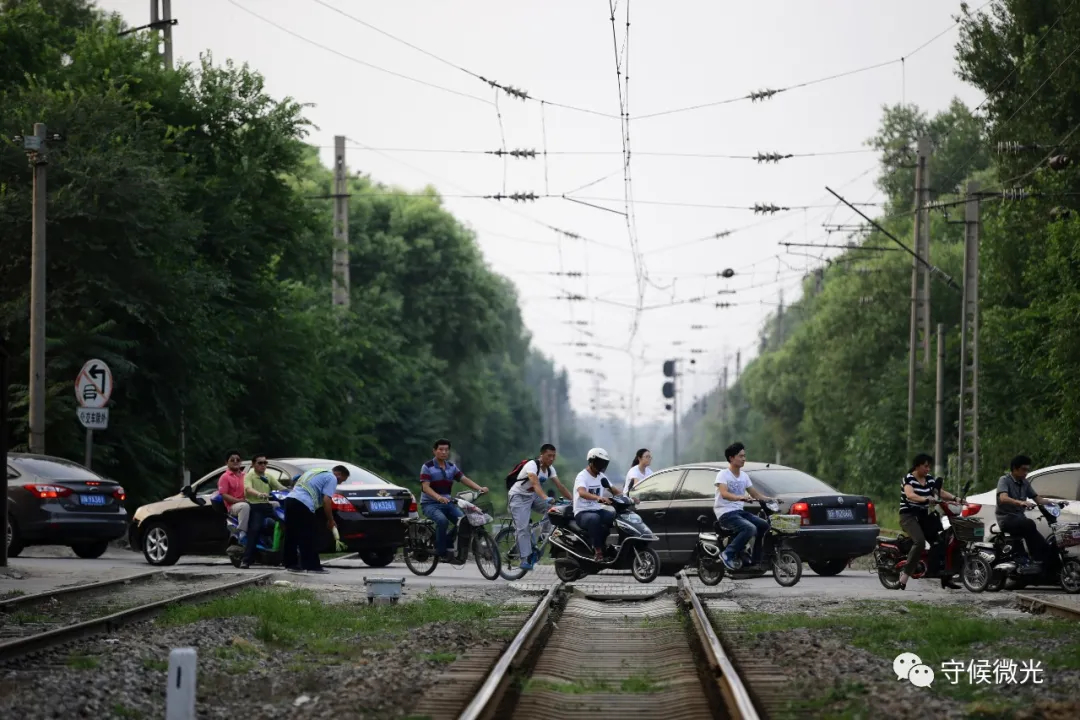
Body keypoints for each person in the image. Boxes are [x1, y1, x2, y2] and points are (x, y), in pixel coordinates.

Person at [897, 453, 963, 590]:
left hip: (923, 516)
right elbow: (910, 495)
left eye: (929, 467)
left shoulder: (929, 479)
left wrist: (957, 499)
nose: (928, 469)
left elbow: (940, 492)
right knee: (920, 542)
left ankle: (946, 577)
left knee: (941, 542)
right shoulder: (908, 479)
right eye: (925, 466)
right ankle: (905, 574)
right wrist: (926, 499)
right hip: (908, 516)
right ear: (917, 466)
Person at [420, 439, 489, 561]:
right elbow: (425, 487)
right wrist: (438, 497)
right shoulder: (427, 467)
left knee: (465, 522)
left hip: (448, 503)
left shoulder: (451, 467)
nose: (444, 452)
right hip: (430, 504)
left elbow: (464, 479)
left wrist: (480, 488)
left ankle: (447, 541)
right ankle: (441, 551)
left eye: (446, 450)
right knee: (442, 521)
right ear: (434, 451)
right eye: (441, 449)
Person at [508, 443, 572, 570]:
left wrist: (573, 500)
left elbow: (560, 486)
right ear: (541, 455)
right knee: (523, 528)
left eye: (554, 456)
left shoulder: (550, 469)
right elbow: (535, 483)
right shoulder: (532, 465)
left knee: (554, 509)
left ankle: (543, 534)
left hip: (532, 497)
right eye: (549, 456)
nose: (552, 459)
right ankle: (524, 559)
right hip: (518, 497)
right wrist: (545, 497)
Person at [714, 442, 775, 571]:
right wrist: (740, 497)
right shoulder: (723, 474)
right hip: (725, 513)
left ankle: (756, 560)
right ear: (731, 458)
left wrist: (771, 499)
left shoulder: (744, 476)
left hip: (739, 512)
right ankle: (727, 554)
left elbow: (755, 494)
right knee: (750, 528)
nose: (744, 459)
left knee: (764, 525)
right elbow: (724, 494)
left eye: (744, 456)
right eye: (740, 456)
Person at [282, 465, 349, 574]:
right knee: (309, 536)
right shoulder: (332, 477)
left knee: (291, 535)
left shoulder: (315, 471)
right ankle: (312, 566)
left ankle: (291, 564)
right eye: (341, 481)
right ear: (339, 474)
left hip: (290, 500)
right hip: (303, 503)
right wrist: (331, 520)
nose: (339, 483)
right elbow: (326, 500)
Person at [996, 454, 1053, 568]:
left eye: (1027, 470)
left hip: (1020, 519)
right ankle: (1035, 559)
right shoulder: (1004, 480)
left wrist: (1054, 503)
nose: (1026, 473)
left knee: (1044, 544)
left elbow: (1038, 499)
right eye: (1023, 469)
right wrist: (1019, 502)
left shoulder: (1025, 482)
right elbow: (1003, 498)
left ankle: (1043, 563)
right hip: (1007, 519)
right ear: (1015, 468)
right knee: (1029, 524)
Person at [573, 447, 622, 562]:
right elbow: (582, 492)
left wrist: (630, 497)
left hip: (597, 510)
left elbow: (615, 491)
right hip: (582, 512)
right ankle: (598, 551)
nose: (602, 466)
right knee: (594, 519)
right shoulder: (582, 476)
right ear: (591, 461)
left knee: (616, 517)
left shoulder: (601, 477)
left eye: (604, 463)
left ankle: (615, 546)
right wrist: (598, 498)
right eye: (600, 463)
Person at [240, 454, 288, 569]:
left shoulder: (268, 476)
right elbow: (248, 488)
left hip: (267, 506)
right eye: (260, 463)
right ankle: (246, 560)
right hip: (255, 506)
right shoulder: (249, 476)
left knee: (285, 523)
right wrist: (259, 494)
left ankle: (286, 557)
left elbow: (280, 487)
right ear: (253, 464)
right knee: (254, 530)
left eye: (265, 463)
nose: (263, 465)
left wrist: (293, 491)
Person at [216, 451, 250, 541]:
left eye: (238, 460)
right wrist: (240, 501)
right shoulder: (224, 477)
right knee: (244, 506)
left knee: (273, 504)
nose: (235, 461)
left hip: (247, 502)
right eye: (232, 460)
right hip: (233, 506)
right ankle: (242, 532)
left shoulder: (246, 476)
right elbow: (224, 495)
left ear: (241, 462)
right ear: (226, 463)